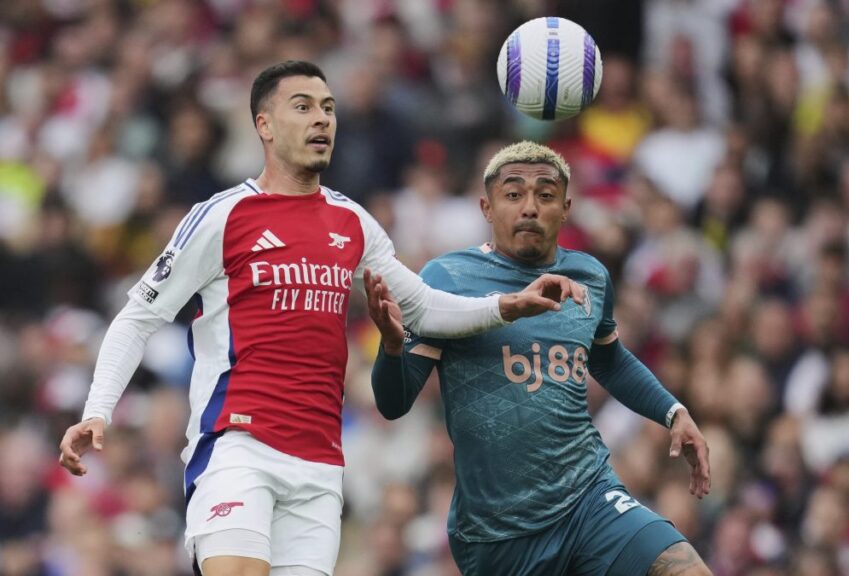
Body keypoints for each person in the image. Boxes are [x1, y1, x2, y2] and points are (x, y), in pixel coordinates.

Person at [57, 61, 582, 576]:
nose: (322, 120)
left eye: (328, 108)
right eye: (303, 107)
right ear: (264, 125)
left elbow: (422, 306)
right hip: (237, 444)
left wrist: (507, 305)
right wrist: (98, 408)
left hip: (319, 463)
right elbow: (139, 315)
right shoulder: (224, 215)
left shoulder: (351, 221)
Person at [367, 141, 714, 575]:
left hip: (590, 497)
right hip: (499, 531)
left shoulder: (589, 276)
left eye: (545, 195)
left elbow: (609, 359)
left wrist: (673, 411)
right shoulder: (447, 278)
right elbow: (393, 403)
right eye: (513, 194)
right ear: (486, 208)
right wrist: (392, 347)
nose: (530, 207)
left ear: (566, 208)